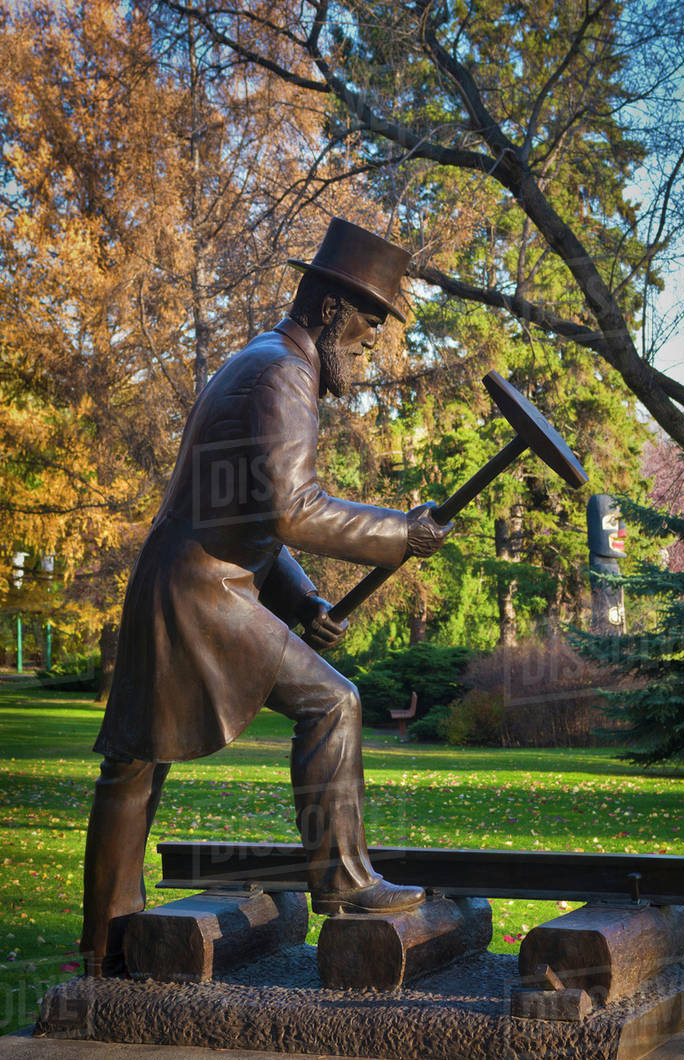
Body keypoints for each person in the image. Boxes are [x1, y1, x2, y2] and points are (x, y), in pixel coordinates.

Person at [81, 219, 451, 976]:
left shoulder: (256, 361)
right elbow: (292, 509)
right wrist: (398, 532)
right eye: (369, 322)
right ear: (330, 308)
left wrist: (303, 601)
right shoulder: (282, 375)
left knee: (133, 765)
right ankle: (344, 883)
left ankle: (103, 947)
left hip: (181, 579)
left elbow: (246, 510)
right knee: (333, 703)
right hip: (202, 590)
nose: (372, 343)